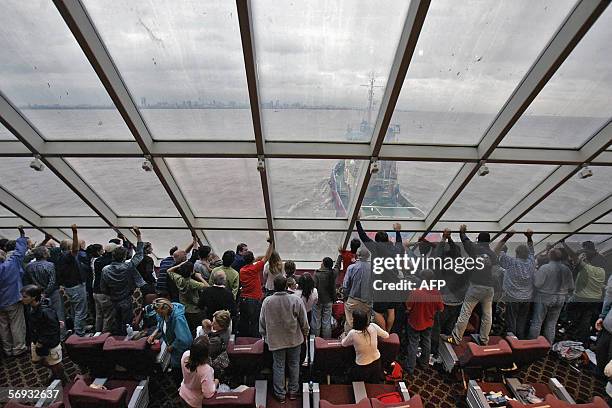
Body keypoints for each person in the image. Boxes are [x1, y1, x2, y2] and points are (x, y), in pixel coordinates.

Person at [442, 224, 496, 346]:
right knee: (487, 315)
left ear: (479, 240)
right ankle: (484, 339)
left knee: (465, 313)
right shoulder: (492, 254)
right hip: (489, 288)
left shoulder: (475, 249)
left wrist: (462, 231)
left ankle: (455, 338)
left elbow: (465, 241)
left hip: (476, 287)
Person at [260, 275, 309, 403]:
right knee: (294, 364)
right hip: (294, 339)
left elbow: (262, 321)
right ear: (286, 285)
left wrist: (264, 335)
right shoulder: (295, 300)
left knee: (278, 366)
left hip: (275, 340)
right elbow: (304, 320)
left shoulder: (267, 301)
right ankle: (293, 391)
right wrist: (305, 332)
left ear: (274, 286)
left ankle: (280, 394)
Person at [100, 227, 146, 335]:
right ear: (124, 256)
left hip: (113, 300)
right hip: (126, 298)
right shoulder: (128, 266)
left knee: (116, 323)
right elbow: (139, 254)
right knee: (127, 324)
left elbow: (103, 288)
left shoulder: (105, 270)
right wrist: (138, 235)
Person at [21, 284, 68, 385]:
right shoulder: (31, 307)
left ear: (33, 297)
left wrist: (41, 342)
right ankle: (55, 373)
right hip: (37, 340)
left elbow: (52, 330)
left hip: (48, 343)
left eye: (25, 297)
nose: (22, 299)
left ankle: (63, 381)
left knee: (55, 364)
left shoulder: (45, 310)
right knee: (38, 360)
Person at [494, 229, 536, 339]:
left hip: (513, 296)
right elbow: (532, 250)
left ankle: (512, 341)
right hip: (527, 297)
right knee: (522, 320)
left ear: (516, 253)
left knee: (511, 321)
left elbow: (496, 251)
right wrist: (529, 238)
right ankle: (520, 340)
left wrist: (507, 237)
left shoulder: (511, 262)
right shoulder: (531, 262)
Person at [528, 248, 575, 344]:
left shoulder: (545, 268)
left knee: (537, 322)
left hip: (544, 296)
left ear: (550, 256)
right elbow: (571, 287)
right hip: (560, 298)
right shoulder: (566, 269)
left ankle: (533, 345)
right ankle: (548, 346)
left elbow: (537, 284)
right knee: (551, 323)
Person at [563, 240, 605, 346]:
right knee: (585, 320)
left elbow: (573, 256)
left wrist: (564, 243)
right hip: (595, 299)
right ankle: (582, 341)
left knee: (569, 312)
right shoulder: (602, 271)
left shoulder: (587, 268)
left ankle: (570, 332)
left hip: (581, 298)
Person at [404, 269, 444, 375]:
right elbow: (441, 309)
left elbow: (408, 306)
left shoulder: (416, 292)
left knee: (413, 344)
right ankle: (424, 364)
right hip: (429, 322)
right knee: (427, 342)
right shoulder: (436, 292)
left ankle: (410, 367)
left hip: (414, 322)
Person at [147, 298, 193, 384]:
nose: (159, 315)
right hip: (173, 349)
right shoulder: (162, 315)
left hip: (180, 350)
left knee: (180, 371)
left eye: (160, 313)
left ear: (166, 309)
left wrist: (172, 346)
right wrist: (153, 334)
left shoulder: (178, 319)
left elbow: (185, 339)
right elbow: (160, 323)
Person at [52, 224, 88, 336]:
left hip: (69, 287)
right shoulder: (68, 256)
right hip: (76, 286)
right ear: (68, 248)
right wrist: (75, 233)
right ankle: (79, 333)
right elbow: (76, 249)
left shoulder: (59, 256)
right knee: (80, 311)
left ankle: (77, 329)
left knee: (75, 310)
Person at [0, 226, 28, 356]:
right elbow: (20, 251)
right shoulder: (11, 264)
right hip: (12, 299)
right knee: (16, 324)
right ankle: (18, 348)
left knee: (3, 326)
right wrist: (22, 235)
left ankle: (7, 349)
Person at [238, 237, 274, 337]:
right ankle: (255, 343)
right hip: (253, 300)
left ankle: (244, 341)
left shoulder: (242, 270)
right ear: (253, 259)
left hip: (243, 299)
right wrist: (271, 244)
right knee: (255, 322)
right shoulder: (254, 268)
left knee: (244, 322)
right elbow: (266, 257)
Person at [341, 308, 389, 383]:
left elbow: (343, 344)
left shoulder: (353, 333)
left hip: (362, 366)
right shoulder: (373, 326)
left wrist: (344, 336)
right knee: (374, 386)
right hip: (377, 363)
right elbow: (386, 335)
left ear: (354, 320)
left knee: (357, 385)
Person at [24, 246, 64, 333]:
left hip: (36, 295)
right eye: (47, 251)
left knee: (40, 317)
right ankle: (60, 336)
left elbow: (27, 282)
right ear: (44, 254)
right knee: (58, 315)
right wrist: (45, 293)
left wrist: (38, 293)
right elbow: (52, 281)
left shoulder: (28, 267)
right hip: (52, 293)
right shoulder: (50, 265)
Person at [167, 261, 208, 335]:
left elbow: (169, 270)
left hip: (184, 308)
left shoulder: (178, 279)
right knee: (198, 329)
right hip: (195, 310)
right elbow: (207, 287)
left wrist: (180, 264)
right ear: (191, 272)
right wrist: (200, 277)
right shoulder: (192, 283)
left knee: (188, 328)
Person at [179, 335, 217, 408]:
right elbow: (208, 393)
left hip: (183, 392)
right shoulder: (205, 370)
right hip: (194, 402)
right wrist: (216, 382)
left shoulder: (185, 355)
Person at [342, 246, 373, 333]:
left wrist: (346, 298)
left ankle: (349, 341)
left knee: (350, 322)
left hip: (353, 300)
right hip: (367, 301)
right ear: (368, 256)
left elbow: (345, 285)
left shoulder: (351, 268)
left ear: (357, 255)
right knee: (365, 324)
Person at [93, 242, 118, 333]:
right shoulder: (110, 262)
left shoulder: (98, 260)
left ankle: (97, 332)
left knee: (99, 315)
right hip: (104, 292)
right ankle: (104, 335)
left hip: (95, 291)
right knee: (108, 316)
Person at [199, 310, 232, 379]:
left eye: (214, 323)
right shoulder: (227, 328)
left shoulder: (216, 341)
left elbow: (204, 352)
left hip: (212, 367)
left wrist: (205, 333)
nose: (211, 324)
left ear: (221, 325)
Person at [312, 257, 337, 338]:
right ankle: (326, 341)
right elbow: (338, 266)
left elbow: (314, 287)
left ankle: (316, 340)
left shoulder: (317, 274)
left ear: (323, 264)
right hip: (329, 300)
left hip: (318, 301)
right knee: (326, 322)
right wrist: (340, 255)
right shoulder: (333, 273)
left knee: (316, 321)